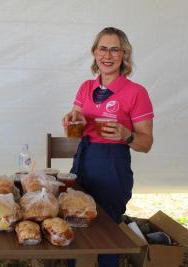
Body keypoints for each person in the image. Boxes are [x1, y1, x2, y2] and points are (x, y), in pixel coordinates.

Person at [62, 27, 154, 267]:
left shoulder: (136, 92)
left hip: (113, 165)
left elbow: (146, 143)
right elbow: (78, 124)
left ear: (124, 54)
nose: (108, 55)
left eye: (115, 49)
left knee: (106, 232)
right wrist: (73, 122)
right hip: (83, 158)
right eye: (103, 48)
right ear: (94, 52)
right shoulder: (86, 87)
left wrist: (127, 135)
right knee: (76, 221)